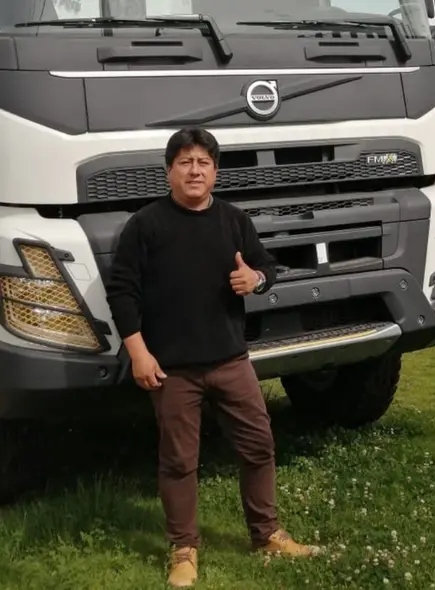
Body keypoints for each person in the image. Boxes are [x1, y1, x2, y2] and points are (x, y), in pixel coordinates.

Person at [106, 127, 319, 588]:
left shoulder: (234, 221)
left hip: (230, 361)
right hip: (172, 369)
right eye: (185, 162)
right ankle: (184, 550)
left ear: (216, 172)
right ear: (169, 171)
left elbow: (267, 267)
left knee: (259, 446)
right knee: (179, 461)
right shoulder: (145, 225)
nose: (195, 170)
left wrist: (256, 280)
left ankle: (266, 534)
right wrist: (138, 353)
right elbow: (121, 291)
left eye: (203, 162)